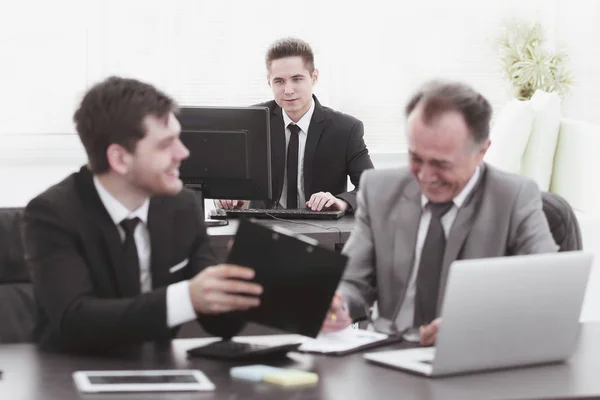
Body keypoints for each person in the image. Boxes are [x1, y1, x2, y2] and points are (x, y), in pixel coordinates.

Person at [22, 77, 262, 353]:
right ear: (120, 159)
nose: (183, 153)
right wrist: (185, 298)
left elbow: (221, 325)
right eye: (165, 145)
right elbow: (74, 319)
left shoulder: (181, 206)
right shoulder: (52, 214)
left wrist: (239, 281)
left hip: (160, 375)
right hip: (69, 377)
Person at [321, 80, 558, 345]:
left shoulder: (514, 197)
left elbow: (546, 290)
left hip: (474, 354)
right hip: (387, 352)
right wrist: (339, 304)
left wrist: (470, 326)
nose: (425, 175)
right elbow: (354, 282)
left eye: (441, 164)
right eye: (416, 158)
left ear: (481, 151)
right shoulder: (379, 190)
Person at [216, 37, 374, 212]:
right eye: (279, 81)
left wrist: (340, 202)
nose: (288, 90)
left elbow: (371, 189)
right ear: (269, 81)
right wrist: (232, 197)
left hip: (321, 230)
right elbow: (231, 182)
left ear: (314, 77)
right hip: (264, 228)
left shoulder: (346, 129)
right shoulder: (251, 122)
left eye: (297, 79)